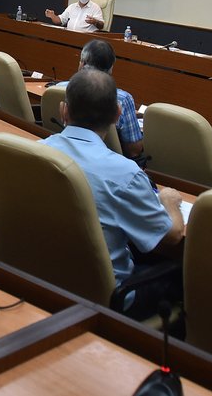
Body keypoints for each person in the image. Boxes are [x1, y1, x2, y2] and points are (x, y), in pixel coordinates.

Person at [41, 68, 184, 320]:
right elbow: (172, 237)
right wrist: (169, 202)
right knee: (182, 277)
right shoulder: (125, 173)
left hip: (42, 275)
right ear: (118, 114)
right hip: (106, 299)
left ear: (63, 110)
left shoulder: (38, 151)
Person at [58, 40, 144, 159]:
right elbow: (134, 150)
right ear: (111, 68)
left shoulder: (59, 87)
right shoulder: (122, 99)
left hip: (60, 153)